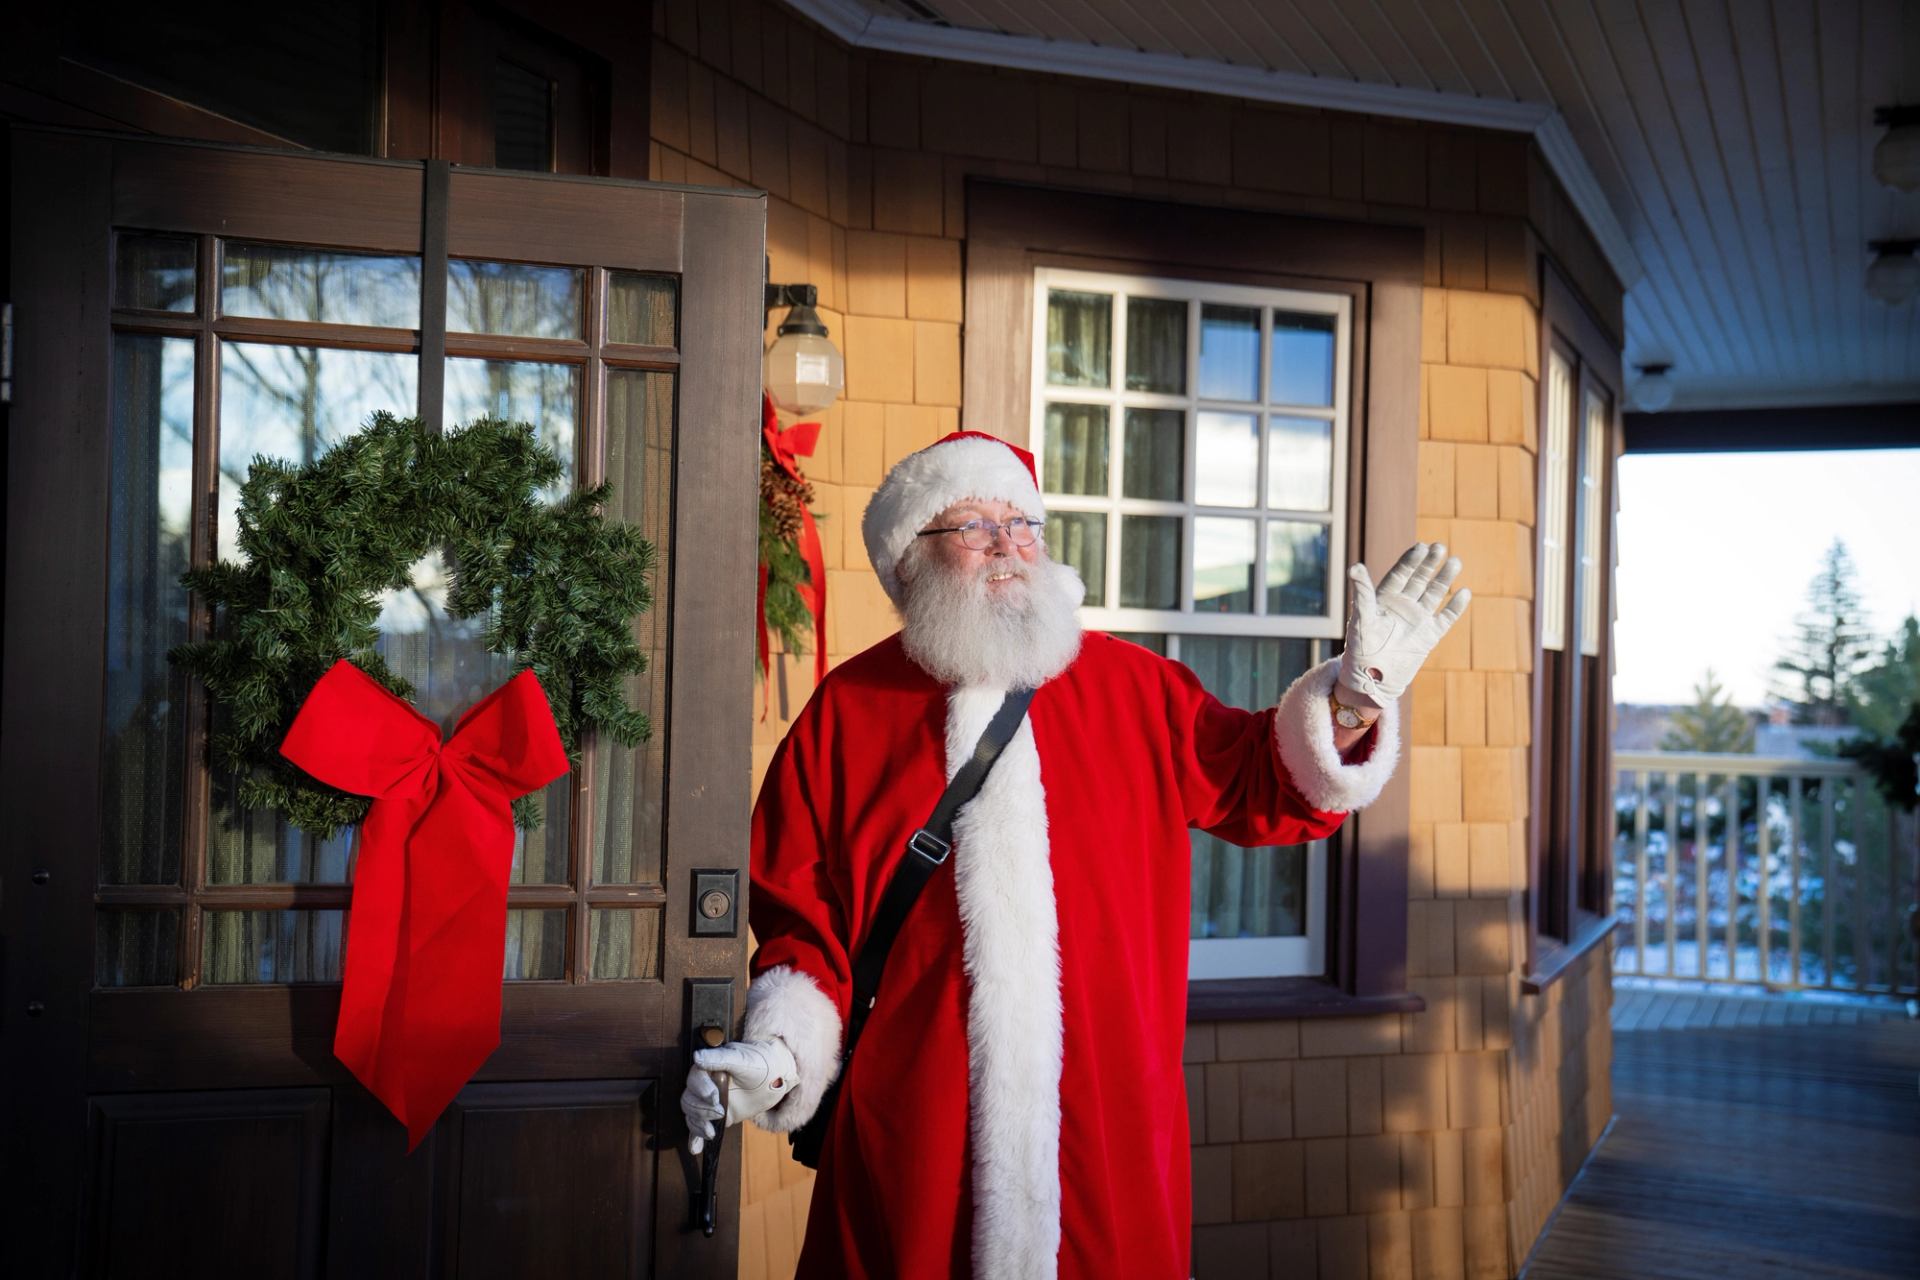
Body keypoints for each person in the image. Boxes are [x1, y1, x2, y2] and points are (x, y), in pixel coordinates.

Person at [682, 431, 1468, 1279]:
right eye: (974, 526)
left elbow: (1265, 786)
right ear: (910, 561)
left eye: (1022, 523)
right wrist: (780, 1052)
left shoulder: (1138, 689)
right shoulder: (848, 710)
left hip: (1104, 1124)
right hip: (915, 1134)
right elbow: (805, 923)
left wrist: (1350, 705)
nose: (1008, 547)